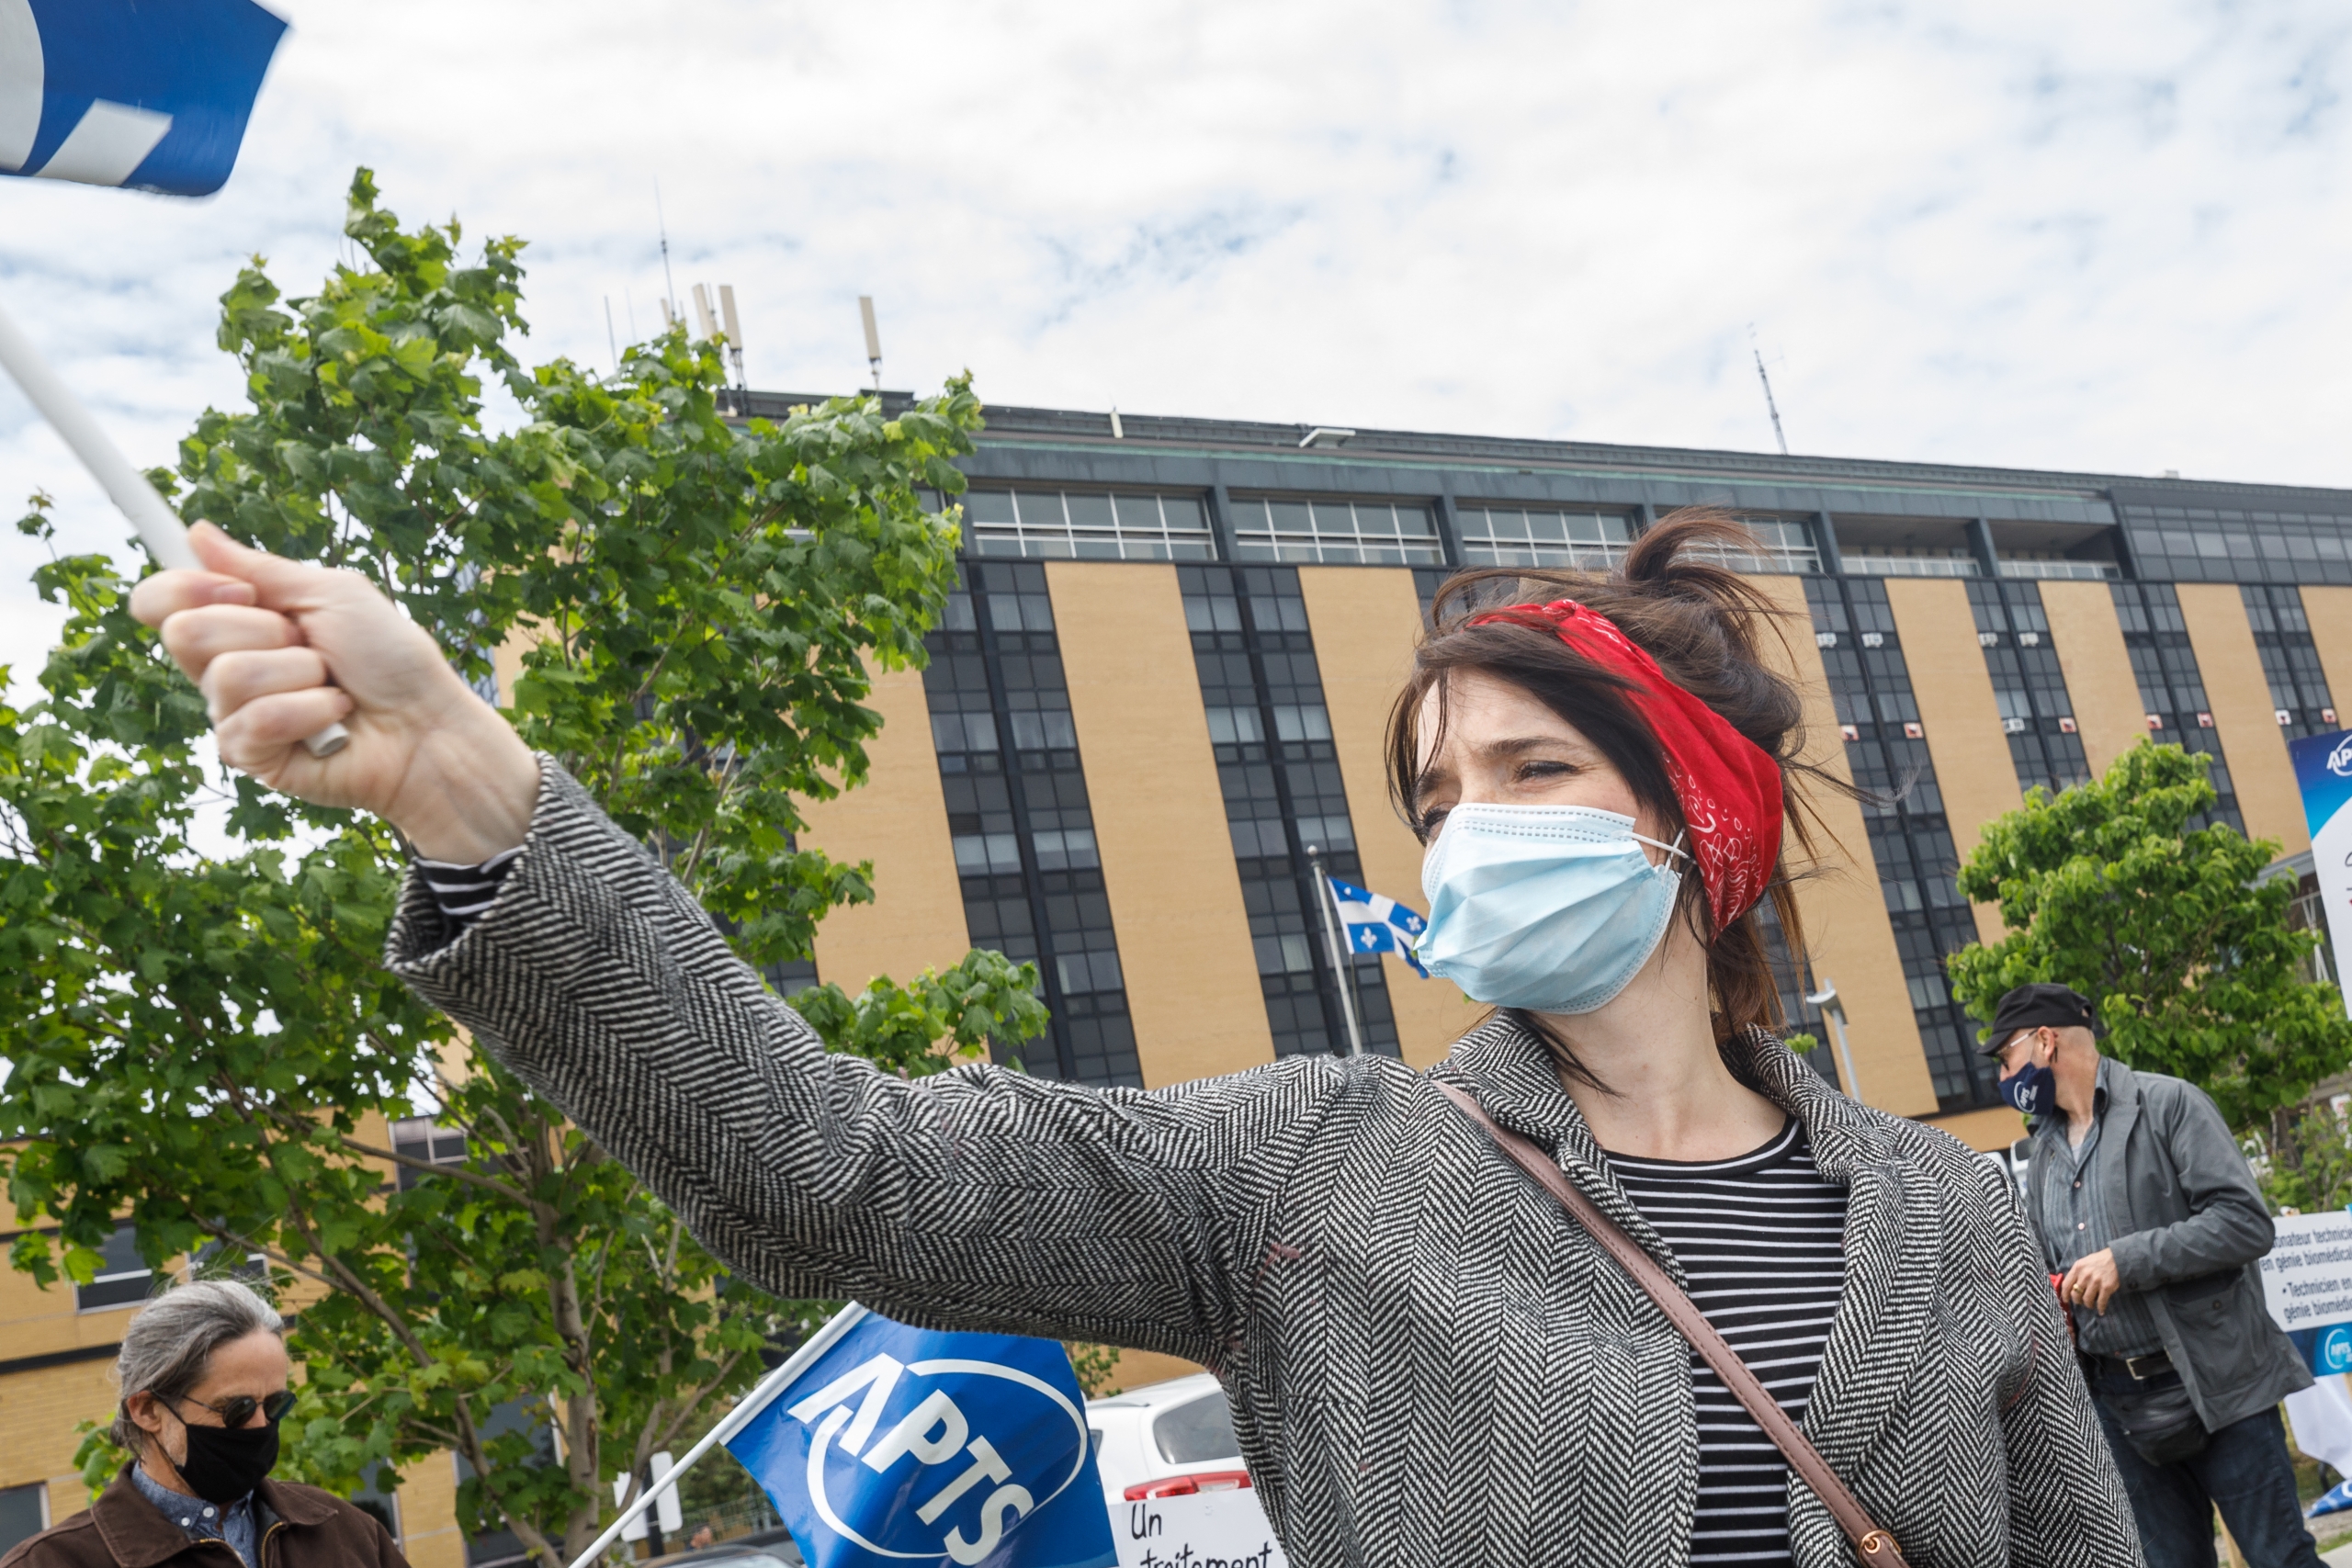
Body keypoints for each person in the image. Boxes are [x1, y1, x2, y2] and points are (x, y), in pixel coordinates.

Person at [132, 511, 2142, 1567]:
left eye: (1533, 770)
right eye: (1436, 795)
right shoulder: (1311, 1162)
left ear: (1695, 816)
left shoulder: (1943, 1213)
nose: (1466, 827)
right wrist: (468, 786)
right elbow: (827, 1167)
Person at [1987, 982, 2320, 1568]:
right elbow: (2048, 1270)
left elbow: (2245, 1224)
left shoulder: (2170, 1104)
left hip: (2221, 1386)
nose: (2002, 1075)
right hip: (2120, 1409)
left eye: (2004, 1056)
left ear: (2044, 1041)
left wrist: (2126, 1260)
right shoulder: (2042, 1154)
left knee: (2280, 1558)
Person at [0, 1278, 408, 1568]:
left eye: (276, 1405)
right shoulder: (50, 1562)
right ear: (147, 1410)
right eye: (237, 1409)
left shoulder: (344, 1532)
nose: (260, 1426)